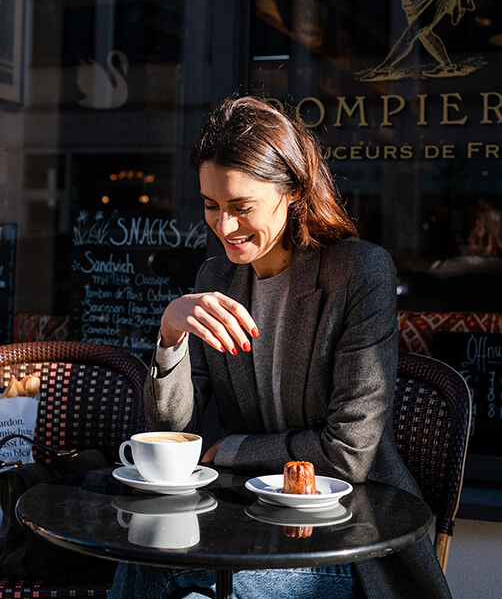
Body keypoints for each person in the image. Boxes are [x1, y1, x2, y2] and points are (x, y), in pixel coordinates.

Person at [109, 95, 453, 599]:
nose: (224, 227)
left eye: (241, 207)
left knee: (176, 578)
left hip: (350, 543)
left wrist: (231, 448)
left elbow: (350, 452)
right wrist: (170, 338)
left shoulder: (357, 273)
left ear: (291, 190)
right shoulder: (216, 278)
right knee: (144, 561)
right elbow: (172, 436)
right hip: (248, 527)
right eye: (211, 206)